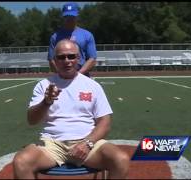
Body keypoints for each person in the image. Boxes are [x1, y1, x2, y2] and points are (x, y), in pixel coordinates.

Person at [13, 39, 129, 179]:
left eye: (71, 56)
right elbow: (32, 120)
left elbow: (105, 122)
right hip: (52, 145)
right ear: (55, 60)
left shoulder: (92, 85)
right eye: (61, 57)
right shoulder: (44, 85)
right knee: (21, 162)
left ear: (78, 58)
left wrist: (87, 143)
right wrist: (46, 102)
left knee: (121, 159)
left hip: (87, 143)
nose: (66, 61)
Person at [47, 2, 97, 77]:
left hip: (82, 76)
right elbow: (51, 60)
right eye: (67, 16)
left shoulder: (87, 35)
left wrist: (78, 75)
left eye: (72, 16)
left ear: (77, 16)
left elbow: (92, 59)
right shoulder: (55, 37)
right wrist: (62, 75)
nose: (69, 19)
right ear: (63, 17)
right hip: (62, 78)